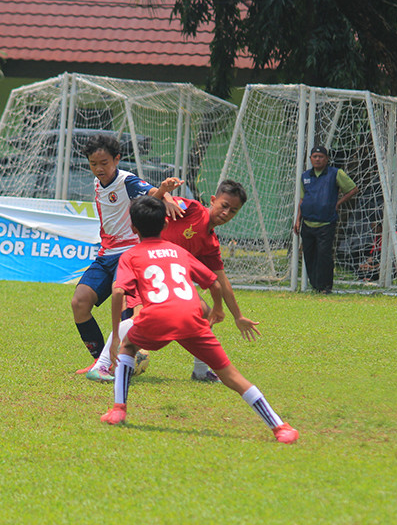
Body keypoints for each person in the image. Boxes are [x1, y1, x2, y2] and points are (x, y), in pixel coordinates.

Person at [99, 195, 298, 444]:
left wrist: (117, 334)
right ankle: (280, 427)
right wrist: (217, 310)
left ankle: (118, 409)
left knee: (128, 346)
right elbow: (214, 283)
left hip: (156, 318)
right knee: (231, 375)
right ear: (164, 225)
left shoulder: (130, 256)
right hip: (191, 317)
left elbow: (118, 292)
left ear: (133, 228)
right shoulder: (179, 251)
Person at [83, 179, 260, 383]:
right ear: (213, 200)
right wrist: (166, 195)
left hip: (167, 283)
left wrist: (238, 316)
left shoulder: (210, 242)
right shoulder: (191, 209)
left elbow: (221, 281)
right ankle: (102, 365)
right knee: (140, 318)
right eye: (224, 206)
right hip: (146, 270)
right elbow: (150, 206)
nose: (226, 213)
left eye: (233, 211)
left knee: (204, 313)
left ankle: (201, 371)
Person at [71, 133, 182, 371]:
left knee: (125, 311)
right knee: (79, 303)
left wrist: (166, 192)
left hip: (129, 255)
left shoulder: (126, 181)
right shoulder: (97, 182)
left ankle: (122, 363)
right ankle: (100, 359)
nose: (99, 169)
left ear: (117, 159)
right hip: (105, 255)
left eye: (104, 163)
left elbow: (153, 193)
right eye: (93, 164)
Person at [293, 146, 358, 293]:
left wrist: (338, 203)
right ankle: (316, 286)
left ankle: (326, 287)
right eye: (314, 156)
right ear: (310, 159)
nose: (317, 159)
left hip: (326, 223)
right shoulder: (305, 176)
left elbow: (353, 189)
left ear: (327, 159)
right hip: (307, 222)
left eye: (320, 156)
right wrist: (298, 220)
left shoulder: (335, 173)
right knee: (309, 255)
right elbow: (302, 200)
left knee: (324, 255)